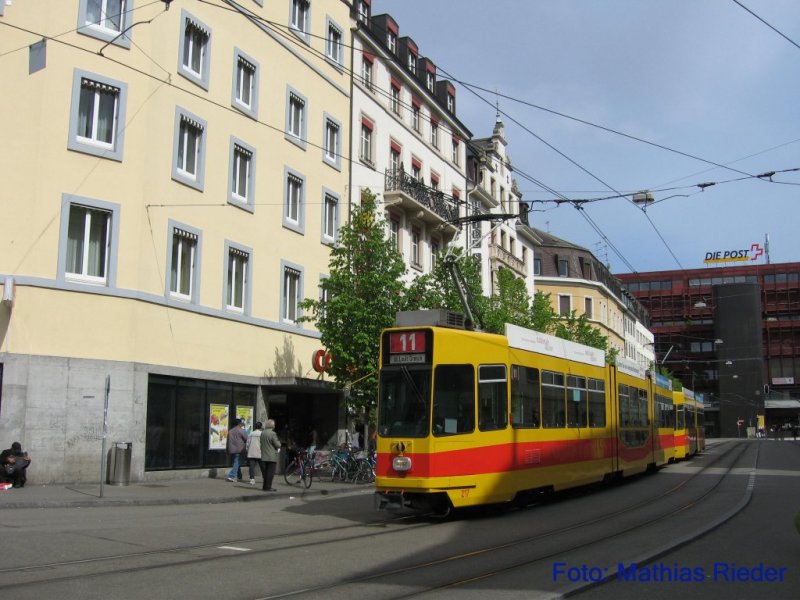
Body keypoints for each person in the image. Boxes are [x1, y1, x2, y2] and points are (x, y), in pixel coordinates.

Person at [259, 419, 281, 492]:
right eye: (274, 424)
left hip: (264, 454)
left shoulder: (263, 433)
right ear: (272, 426)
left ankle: (265, 486)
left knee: (266, 472)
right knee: (270, 473)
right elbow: (277, 444)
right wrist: (279, 443)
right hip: (271, 456)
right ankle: (268, 487)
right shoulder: (273, 434)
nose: (274, 426)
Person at [245, 421, 263, 485]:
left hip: (251, 452)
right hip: (260, 452)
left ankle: (252, 479)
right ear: (261, 427)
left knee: (251, 467)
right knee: (262, 466)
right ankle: (265, 478)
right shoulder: (262, 434)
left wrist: (247, 450)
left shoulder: (251, 434)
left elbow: (247, 443)